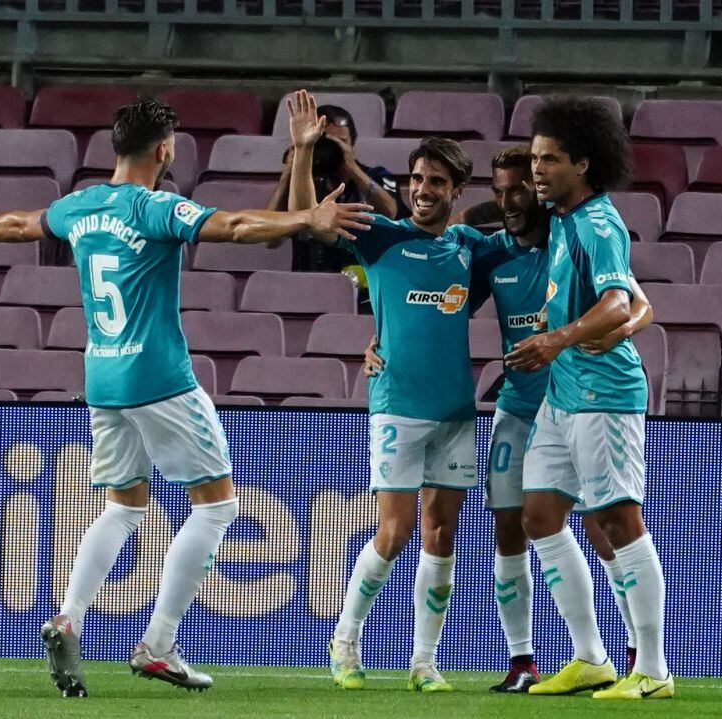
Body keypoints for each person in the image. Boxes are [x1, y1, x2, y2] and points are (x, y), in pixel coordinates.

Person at [0, 99, 372, 697]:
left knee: (124, 505)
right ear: (164, 151)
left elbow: (19, 224)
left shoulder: (82, 206)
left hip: (102, 379)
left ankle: (69, 614)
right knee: (217, 504)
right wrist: (308, 221)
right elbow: (237, 227)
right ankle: (159, 644)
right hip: (159, 376)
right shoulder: (154, 207)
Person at [365, 145, 654, 692]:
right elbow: (426, 308)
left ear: (540, 189)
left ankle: (637, 650)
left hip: (579, 399)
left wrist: (619, 330)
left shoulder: (575, 237)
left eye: (518, 189)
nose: (508, 202)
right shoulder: (491, 253)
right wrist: (378, 341)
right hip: (520, 408)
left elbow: (639, 305)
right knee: (514, 525)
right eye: (498, 193)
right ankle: (524, 659)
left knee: (600, 523)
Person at [285, 90, 481, 693]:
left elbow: (535, 251)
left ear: (455, 192)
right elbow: (307, 219)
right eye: (418, 178)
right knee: (394, 534)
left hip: (455, 411)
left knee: (442, 534)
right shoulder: (382, 237)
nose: (424, 189)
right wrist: (301, 155)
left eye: (437, 181)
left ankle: (424, 662)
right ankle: (344, 642)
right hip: (396, 405)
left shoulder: (474, 250)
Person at [505, 95, 674, 700]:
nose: (537, 170)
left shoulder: (599, 223)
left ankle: (653, 670)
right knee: (540, 516)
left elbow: (619, 302)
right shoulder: (566, 221)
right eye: (534, 157)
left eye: (549, 159)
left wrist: (559, 338)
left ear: (583, 163)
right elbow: (638, 305)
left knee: (617, 520)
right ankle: (592, 658)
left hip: (604, 394)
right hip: (563, 394)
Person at [268, 103, 409, 273]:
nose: (332, 150)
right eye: (324, 143)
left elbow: (391, 213)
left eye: (341, 142)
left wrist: (353, 169)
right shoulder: (302, 187)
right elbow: (271, 240)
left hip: (363, 289)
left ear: (353, 143)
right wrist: (290, 172)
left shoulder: (377, 176)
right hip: (309, 286)